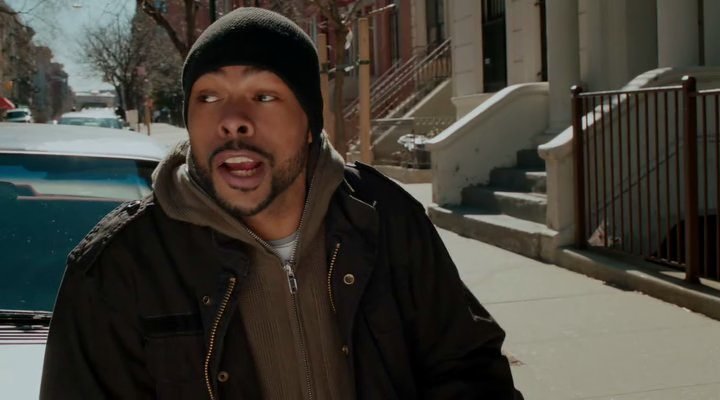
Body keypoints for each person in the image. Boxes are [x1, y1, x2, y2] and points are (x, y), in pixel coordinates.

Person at [40, 7, 523, 400]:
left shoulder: (383, 216)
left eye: (264, 95)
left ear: (310, 123)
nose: (233, 120)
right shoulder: (116, 266)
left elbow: (469, 369)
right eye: (209, 97)